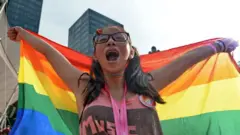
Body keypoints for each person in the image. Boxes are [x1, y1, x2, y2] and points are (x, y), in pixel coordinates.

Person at [7, 26, 238, 135]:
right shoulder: (84, 86)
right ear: (96, 55)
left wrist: (217, 46)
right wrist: (25, 36)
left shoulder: (147, 84)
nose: (110, 42)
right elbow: (50, 54)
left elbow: (184, 62)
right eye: (103, 40)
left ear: (130, 52)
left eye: (119, 38)